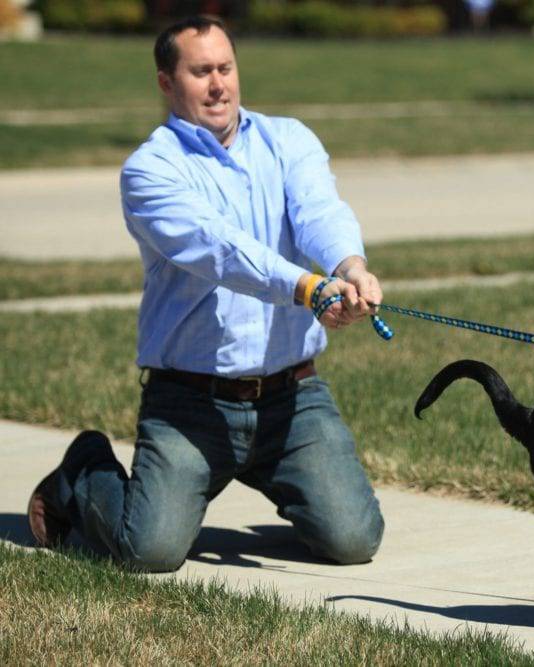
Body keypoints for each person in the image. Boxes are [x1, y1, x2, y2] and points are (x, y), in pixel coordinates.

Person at [27, 16, 385, 572]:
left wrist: (350, 266)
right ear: (167, 83)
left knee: (354, 541)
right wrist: (307, 286)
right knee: (147, 552)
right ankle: (84, 470)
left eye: (226, 67)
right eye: (200, 72)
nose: (218, 84)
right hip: (188, 403)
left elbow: (319, 211)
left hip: (292, 397)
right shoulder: (150, 170)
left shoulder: (288, 139)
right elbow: (218, 248)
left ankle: (291, 481)